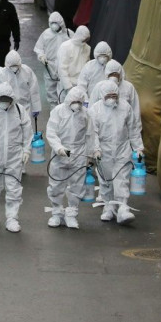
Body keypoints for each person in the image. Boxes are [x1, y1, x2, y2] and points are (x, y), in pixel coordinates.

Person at [0, 82, 32, 233]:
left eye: (6, 99)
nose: (4, 102)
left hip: (14, 157)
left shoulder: (20, 112)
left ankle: (12, 218)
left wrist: (26, 151)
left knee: (14, 189)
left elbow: (27, 133)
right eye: (1, 99)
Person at [45, 86, 99, 229]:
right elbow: (51, 132)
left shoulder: (85, 114)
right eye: (74, 101)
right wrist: (58, 148)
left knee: (77, 185)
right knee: (56, 184)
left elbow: (90, 135)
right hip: (61, 153)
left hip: (79, 153)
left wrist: (91, 154)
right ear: (68, 100)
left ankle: (71, 214)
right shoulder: (58, 112)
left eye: (79, 102)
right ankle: (56, 213)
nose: (77, 104)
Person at [89, 80, 143, 224]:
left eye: (114, 95)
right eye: (109, 96)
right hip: (103, 149)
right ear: (102, 95)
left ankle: (123, 207)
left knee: (122, 178)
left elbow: (133, 129)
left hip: (122, 147)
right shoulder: (95, 109)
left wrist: (138, 148)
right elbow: (92, 132)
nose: (112, 98)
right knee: (106, 179)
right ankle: (108, 206)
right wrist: (95, 149)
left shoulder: (125, 107)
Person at [34, 11, 72, 106]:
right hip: (49, 65)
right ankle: (53, 108)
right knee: (50, 87)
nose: (54, 25)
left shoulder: (68, 33)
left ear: (61, 23)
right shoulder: (46, 34)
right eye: (52, 23)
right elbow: (39, 48)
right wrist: (41, 56)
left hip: (64, 64)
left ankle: (63, 106)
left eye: (56, 23)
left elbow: (76, 46)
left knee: (64, 85)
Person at [0, 50, 41, 122]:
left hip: (26, 106)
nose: (14, 68)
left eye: (16, 66)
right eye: (12, 66)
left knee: (26, 128)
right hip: (9, 107)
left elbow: (34, 90)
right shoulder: (0, 75)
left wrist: (36, 107)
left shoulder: (27, 71)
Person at [56, 25, 91, 102]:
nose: (85, 41)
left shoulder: (87, 48)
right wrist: (68, 87)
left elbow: (87, 67)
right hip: (67, 85)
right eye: (84, 39)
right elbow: (62, 68)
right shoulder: (65, 47)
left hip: (81, 85)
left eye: (86, 39)